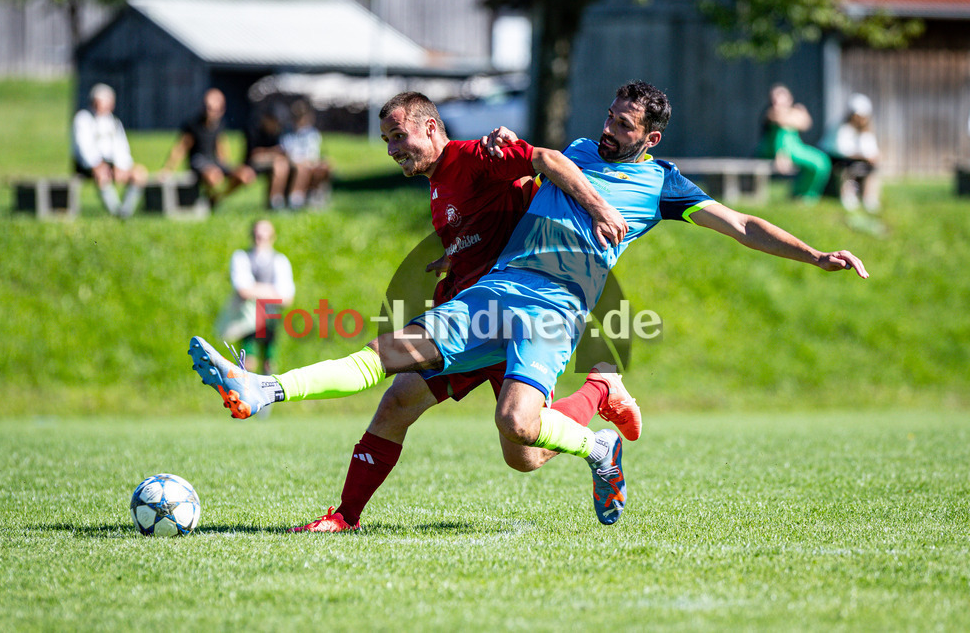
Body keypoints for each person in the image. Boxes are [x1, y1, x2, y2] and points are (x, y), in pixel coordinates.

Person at [189, 81, 868, 532]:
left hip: (555, 306)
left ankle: (598, 434)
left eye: (624, 126)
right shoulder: (575, 151)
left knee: (519, 432)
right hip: (496, 288)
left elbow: (744, 224)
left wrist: (815, 254)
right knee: (388, 356)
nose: (608, 131)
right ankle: (263, 387)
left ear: (650, 138)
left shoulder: (665, 185)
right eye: (608, 117)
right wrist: (467, 238)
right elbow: (535, 165)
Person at [194, 90, 640, 531]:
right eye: (386, 140)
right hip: (466, 316)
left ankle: (599, 396)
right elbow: (491, 214)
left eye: (397, 136)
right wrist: (458, 255)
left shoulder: (475, 156)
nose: (391, 150)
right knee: (397, 400)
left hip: (512, 319)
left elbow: (543, 164)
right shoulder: (439, 178)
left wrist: (594, 206)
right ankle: (343, 513)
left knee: (526, 453)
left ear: (430, 128)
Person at [215, 220, 295, 374]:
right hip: (247, 317)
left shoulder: (280, 261)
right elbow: (243, 289)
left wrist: (255, 290)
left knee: (270, 362)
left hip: (270, 316)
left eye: (265, 236)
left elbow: (287, 298)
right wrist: (272, 292)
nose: (261, 241)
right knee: (247, 361)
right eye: (258, 236)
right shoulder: (241, 257)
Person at [161, 88, 256, 207]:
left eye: (214, 110)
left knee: (247, 175)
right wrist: (168, 169)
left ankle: (216, 198)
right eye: (208, 108)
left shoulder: (220, 125)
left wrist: (227, 166)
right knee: (214, 176)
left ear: (222, 110)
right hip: (199, 162)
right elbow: (181, 148)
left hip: (214, 162)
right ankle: (209, 199)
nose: (210, 113)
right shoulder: (193, 125)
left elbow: (221, 146)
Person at [71, 83, 148, 218]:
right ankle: (115, 213)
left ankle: (125, 212)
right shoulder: (83, 119)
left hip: (112, 163)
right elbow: (83, 147)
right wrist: (96, 164)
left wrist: (121, 166)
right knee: (103, 175)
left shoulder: (114, 122)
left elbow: (122, 147)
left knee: (139, 173)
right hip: (88, 165)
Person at [756, 83, 832, 203]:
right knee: (814, 164)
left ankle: (807, 194)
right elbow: (784, 123)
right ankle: (799, 195)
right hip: (774, 150)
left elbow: (806, 123)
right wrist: (781, 155)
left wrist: (793, 118)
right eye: (774, 100)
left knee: (822, 160)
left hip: (795, 147)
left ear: (789, 100)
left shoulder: (789, 113)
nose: (777, 104)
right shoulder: (770, 113)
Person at [819, 93, 882, 213]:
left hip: (855, 158)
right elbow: (840, 150)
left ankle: (869, 197)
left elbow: (871, 150)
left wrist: (872, 157)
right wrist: (864, 156)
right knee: (845, 167)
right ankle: (847, 195)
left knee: (872, 168)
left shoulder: (866, 130)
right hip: (834, 158)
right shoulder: (840, 126)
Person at [280, 100, 333, 209]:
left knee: (325, 166)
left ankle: (316, 196)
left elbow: (313, 152)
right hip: (295, 162)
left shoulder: (312, 133)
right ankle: (295, 199)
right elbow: (288, 152)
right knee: (302, 168)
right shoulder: (287, 132)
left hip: (310, 161)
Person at [244, 108, 291, 211]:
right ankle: (274, 202)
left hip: (274, 163)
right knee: (279, 165)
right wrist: (273, 153)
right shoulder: (253, 129)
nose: (277, 125)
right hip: (252, 164)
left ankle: (282, 200)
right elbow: (253, 155)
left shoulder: (278, 132)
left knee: (284, 165)